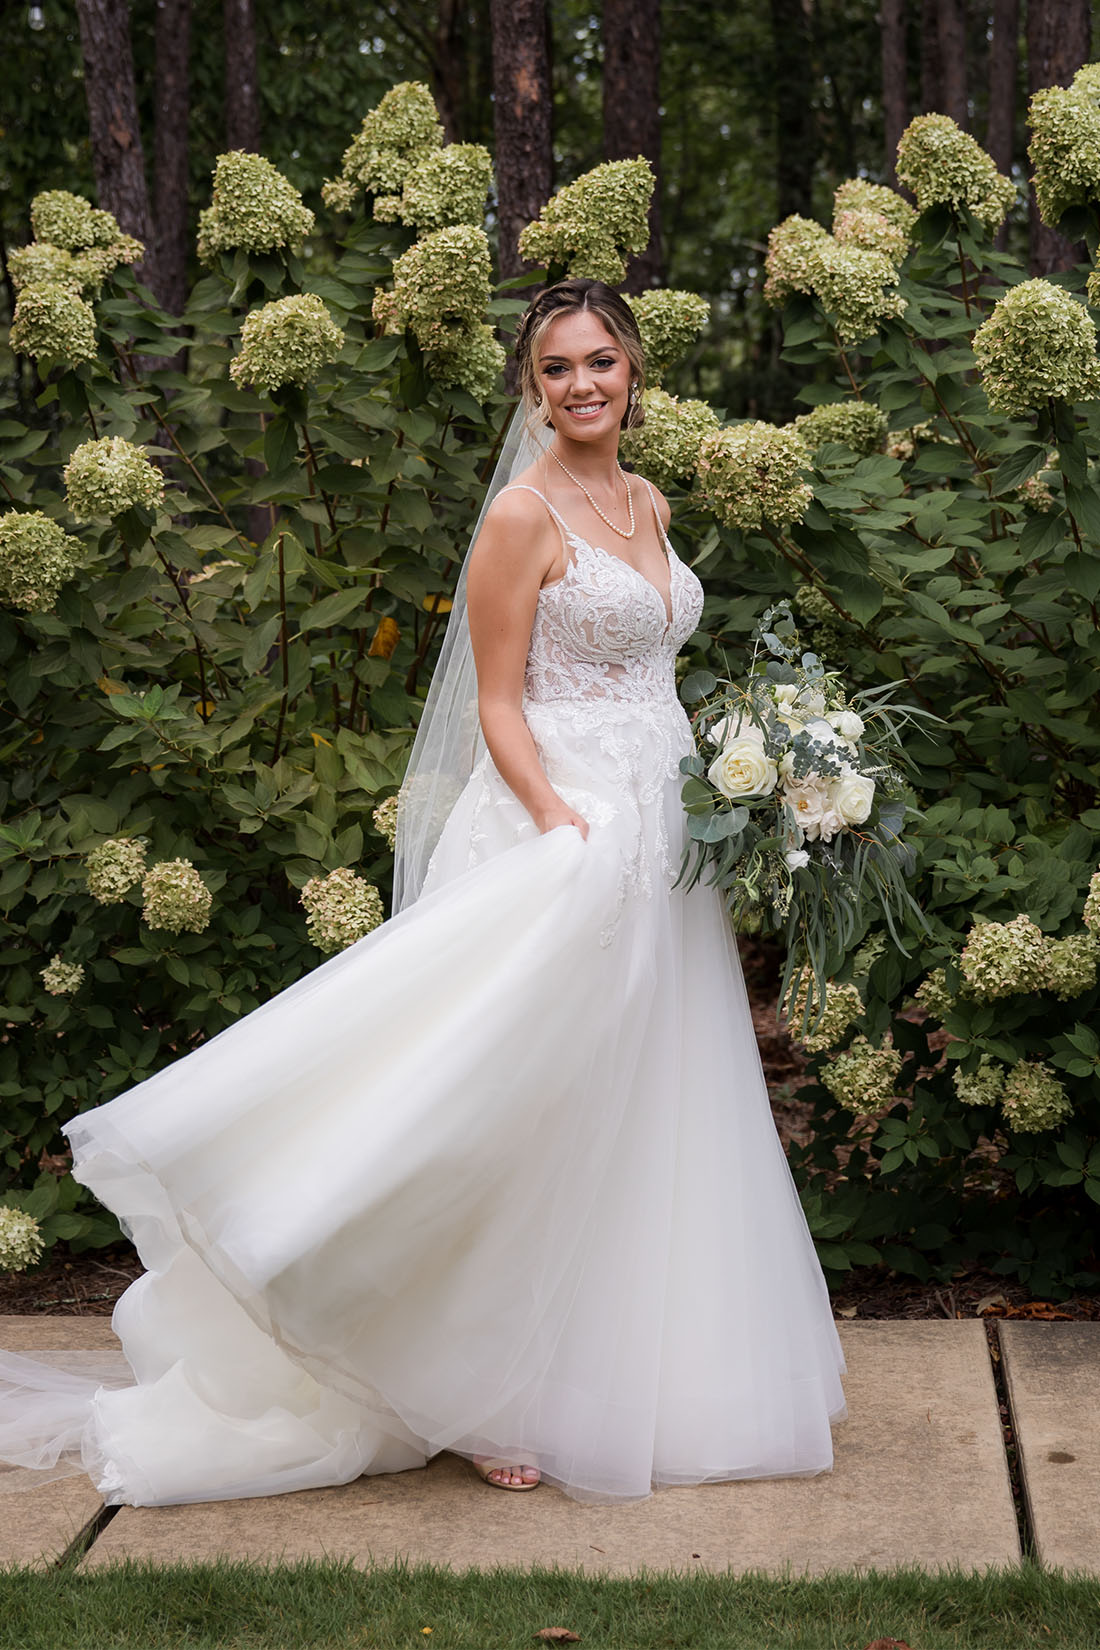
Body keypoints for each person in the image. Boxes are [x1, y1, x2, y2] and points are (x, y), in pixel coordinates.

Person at [0, 278, 846, 1508]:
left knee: (643, 1100)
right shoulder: (521, 514)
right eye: (555, 368)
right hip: (565, 829)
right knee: (514, 1105)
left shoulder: (647, 501)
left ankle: (620, 1370)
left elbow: (653, 673)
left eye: (599, 361)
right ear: (531, 388)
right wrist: (560, 823)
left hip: (662, 832)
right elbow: (497, 701)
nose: (581, 385)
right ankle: (478, 1389)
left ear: (633, 370)